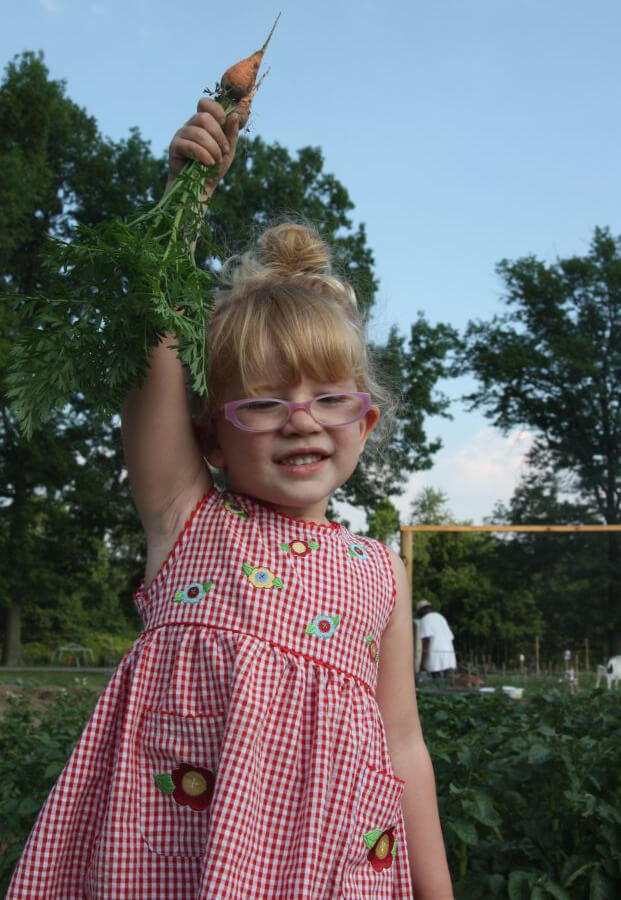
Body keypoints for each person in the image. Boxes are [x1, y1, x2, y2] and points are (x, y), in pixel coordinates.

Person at [8, 99, 453, 900]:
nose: (299, 421)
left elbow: (403, 742)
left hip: (331, 867)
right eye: (261, 403)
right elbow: (156, 342)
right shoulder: (188, 516)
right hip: (171, 863)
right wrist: (181, 203)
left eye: (327, 399)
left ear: (366, 419)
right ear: (210, 436)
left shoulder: (380, 571)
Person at [416, 599, 456, 681]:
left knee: (436, 683)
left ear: (422, 610)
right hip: (448, 654)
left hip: (435, 656)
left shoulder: (425, 619)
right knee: (445, 682)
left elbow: (426, 640)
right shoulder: (441, 617)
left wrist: (422, 663)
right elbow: (450, 637)